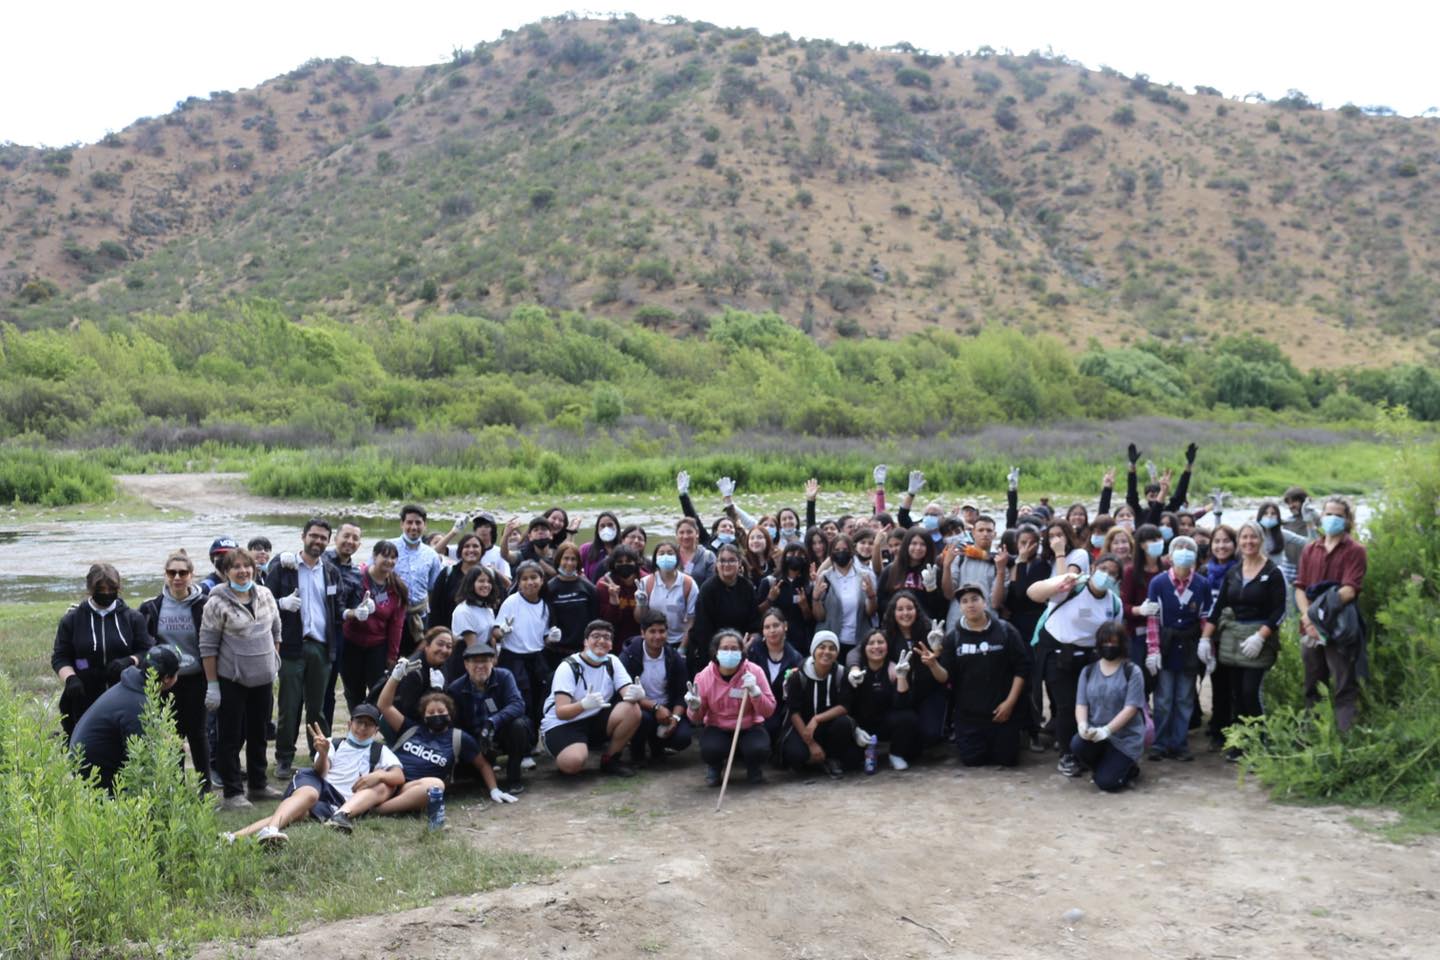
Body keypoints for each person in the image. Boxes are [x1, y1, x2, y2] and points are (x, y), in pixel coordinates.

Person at [225, 705, 404, 845]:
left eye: (369, 724)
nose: (363, 728)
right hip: (317, 782)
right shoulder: (334, 743)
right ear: (350, 724)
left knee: (296, 814)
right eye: (359, 722)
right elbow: (320, 772)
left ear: (376, 730)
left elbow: (399, 776)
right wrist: (323, 754)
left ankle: (233, 837)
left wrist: (378, 776)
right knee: (309, 795)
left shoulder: (380, 751)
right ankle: (271, 830)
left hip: (338, 802)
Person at [199, 547, 283, 810]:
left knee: (259, 733)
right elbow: (208, 647)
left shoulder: (266, 595)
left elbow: (276, 631)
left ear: (254, 569)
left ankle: (258, 784)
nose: (243, 571)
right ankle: (233, 792)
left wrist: (273, 664)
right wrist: (213, 685)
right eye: (236, 567)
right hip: (231, 681)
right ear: (226, 572)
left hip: (263, 680)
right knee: (230, 738)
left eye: (247, 566)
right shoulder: (215, 603)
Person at [1027, 553, 1125, 777]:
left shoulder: (1114, 603)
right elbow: (1033, 593)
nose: (1106, 576)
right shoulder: (1073, 587)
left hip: (1091, 657)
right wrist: (1058, 584)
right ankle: (1066, 755)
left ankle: (1086, 751)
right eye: (1104, 569)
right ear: (1093, 567)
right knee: (1067, 706)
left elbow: (1113, 635)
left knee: (1089, 706)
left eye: (1113, 574)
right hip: (1058, 652)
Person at [267, 519, 345, 780]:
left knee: (317, 708)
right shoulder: (284, 566)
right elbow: (263, 600)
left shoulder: (331, 571)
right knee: (288, 706)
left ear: (328, 541)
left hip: (321, 647)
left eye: (323, 537)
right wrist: (281, 603)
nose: (318, 541)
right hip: (291, 646)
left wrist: (352, 612)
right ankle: (284, 758)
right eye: (314, 536)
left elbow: (337, 607)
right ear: (303, 536)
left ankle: (319, 755)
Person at [1211, 520, 1288, 758]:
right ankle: (1239, 743)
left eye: (1253, 537)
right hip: (1234, 639)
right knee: (1235, 693)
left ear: (1261, 540)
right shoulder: (1233, 572)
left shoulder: (1272, 572)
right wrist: (1205, 639)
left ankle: (1259, 743)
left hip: (1258, 639)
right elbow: (1219, 606)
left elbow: (1280, 610)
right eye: (1244, 537)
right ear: (1239, 542)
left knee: (1250, 692)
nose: (1248, 542)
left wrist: (1261, 636)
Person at [378, 680, 518, 807]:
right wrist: (395, 677)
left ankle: (380, 809)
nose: (436, 715)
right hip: (390, 778)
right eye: (431, 712)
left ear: (450, 714)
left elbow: (482, 765)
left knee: (433, 787)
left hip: (415, 787)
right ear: (424, 716)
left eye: (441, 711)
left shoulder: (459, 738)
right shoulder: (410, 729)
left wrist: (494, 790)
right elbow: (384, 706)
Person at [53, 562, 153, 737]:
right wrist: (70, 678)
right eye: (101, 590)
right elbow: (60, 657)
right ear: (90, 589)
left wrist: (130, 660)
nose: (106, 594)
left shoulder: (133, 618)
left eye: (111, 589)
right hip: (83, 695)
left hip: (124, 693)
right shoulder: (72, 620)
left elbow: (146, 651)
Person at [1294, 496, 1368, 733]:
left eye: (1338, 515)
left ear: (1347, 520)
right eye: (1329, 514)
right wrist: (1307, 618)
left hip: (1339, 628)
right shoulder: (1310, 549)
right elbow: (1300, 588)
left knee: (1344, 686)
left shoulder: (1355, 550)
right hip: (1310, 628)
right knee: (1312, 685)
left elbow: (1349, 590)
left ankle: (1344, 741)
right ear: (1322, 516)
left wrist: (1318, 618)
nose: (1333, 519)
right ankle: (1312, 736)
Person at [139, 550, 209, 789]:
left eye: (182, 572)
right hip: (165, 682)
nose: (177, 577)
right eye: (172, 573)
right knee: (171, 735)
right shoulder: (151, 607)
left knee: (198, 734)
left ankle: (205, 787)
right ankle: (176, 788)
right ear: (165, 575)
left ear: (192, 575)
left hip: (196, 679)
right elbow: (144, 643)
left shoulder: (204, 604)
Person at [70, 646, 184, 793]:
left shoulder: (132, 686)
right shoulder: (139, 704)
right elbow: (142, 757)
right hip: (93, 768)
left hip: (90, 757)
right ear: (167, 678)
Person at [539, 621, 643, 777]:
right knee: (572, 764)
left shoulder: (612, 661)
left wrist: (637, 693)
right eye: (596, 636)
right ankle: (564, 749)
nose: (601, 641)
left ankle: (610, 759)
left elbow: (627, 692)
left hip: (594, 718)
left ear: (611, 644)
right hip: (563, 724)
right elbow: (561, 712)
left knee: (632, 709)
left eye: (606, 637)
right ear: (585, 642)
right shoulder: (569, 667)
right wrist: (583, 704)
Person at [941, 582, 1028, 768]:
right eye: (964, 601)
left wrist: (1010, 703)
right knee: (973, 761)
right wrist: (933, 663)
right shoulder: (952, 638)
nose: (970, 604)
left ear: (984, 602)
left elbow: (1022, 668)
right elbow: (946, 677)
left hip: (1003, 712)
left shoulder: (1006, 631)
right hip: (969, 716)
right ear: (960, 607)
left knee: (1007, 759)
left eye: (975, 599)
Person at [1145, 536, 1214, 761]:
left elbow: (1205, 616)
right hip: (1166, 645)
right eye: (1179, 548)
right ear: (1171, 555)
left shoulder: (1202, 583)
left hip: (1190, 646)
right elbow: (1153, 618)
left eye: (1188, 548)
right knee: (1163, 698)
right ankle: (1160, 743)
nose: (1184, 551)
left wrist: (1207, 645)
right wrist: (1153, 650)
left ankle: (1179, 743)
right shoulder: (1158, 583)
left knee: (1185, 697)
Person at [689, 628, 776, 786]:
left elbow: (769, 710)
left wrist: (756, 693)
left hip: (749, 726)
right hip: (717, 726)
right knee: (710, 749)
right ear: (716, 652)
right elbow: (696, 719)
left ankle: (754, 768)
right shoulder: (704, 676)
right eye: (725, 648)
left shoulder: (754, 672)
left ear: (742, 651)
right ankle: (715, 767)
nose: (730, 652)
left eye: (734, 649)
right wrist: (695, 707)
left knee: (758, 749)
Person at [1069, 622, 1147, 791]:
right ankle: (1105, 767)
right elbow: (1081, 703)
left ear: (1122, 644)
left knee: (1107, 784)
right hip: (1095, 734)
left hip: (1125, 738)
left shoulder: (1132, 671)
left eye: (1114, 642)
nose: (1109, 646)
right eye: (1105, 642)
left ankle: (1127, 768)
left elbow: (1131, 708)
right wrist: (1082, 725)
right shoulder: (1088, 671)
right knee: (1077, 743)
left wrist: (1107, 730)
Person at [447, 639, 531, 793]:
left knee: (519, 725)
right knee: (470, 778)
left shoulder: (504, 676)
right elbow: (455, 724)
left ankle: (514, 776)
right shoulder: (455, 688)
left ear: (493, 662)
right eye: (475, 662)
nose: (480, 666)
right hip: (475, 738)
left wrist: (492, 722)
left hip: (501, 731)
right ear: (466, 664)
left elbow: (518, 704)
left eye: (485, 661)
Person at [338, 540, 408, 713]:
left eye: (393, 558)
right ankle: (356, 721)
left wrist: (392, 655)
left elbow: (397, 625)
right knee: (353, 690)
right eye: (385, 556)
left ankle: (373, 722)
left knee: (377, 689)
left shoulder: (398, 588)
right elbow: (340, 607)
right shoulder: (357, 577)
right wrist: (355, 612)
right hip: (351, 643)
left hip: (377, 646)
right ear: (374, 556)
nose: (389, 561)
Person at [780, 631, 861, 778]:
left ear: (837, 653)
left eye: (832, 648)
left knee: (845, 728)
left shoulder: (841, 673)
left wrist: (817, 719)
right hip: (804, 727)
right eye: (822, 647)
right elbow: (793, 711)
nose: (827, 652)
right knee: (794, 754)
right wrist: (811, 743)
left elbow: (844, 706)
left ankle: (830, 758)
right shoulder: (798, 675)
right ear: (813, 650)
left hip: (829, 726)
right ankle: (817, 760)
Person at [618, 610, 694, 765]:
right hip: (640, 707)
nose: (658, 636)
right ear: (642, 633)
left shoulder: (673, 657)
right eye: (652, 631)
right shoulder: (629, 656)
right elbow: (624, 691)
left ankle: (658, 747)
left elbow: (682, 692)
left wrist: (675, 718)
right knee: (642, 719)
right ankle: (637, 751)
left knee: (683, 738)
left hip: (667, 708)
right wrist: (655, 707)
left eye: (662, 631)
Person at [497, 561, 559, 736]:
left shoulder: (544, 606)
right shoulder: (511, 602)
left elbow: (543, 637)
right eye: (524, 579)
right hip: (514, 658)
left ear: (542, 580)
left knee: (539, 696)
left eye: (534, 577)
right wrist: (502, 631)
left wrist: (551, 638)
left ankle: (535, 735)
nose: (530, 582)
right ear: (518, 582)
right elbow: (496, 631)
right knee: (522, 699)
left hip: (536, 659)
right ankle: (522, 737)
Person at [845, 629, 919, 771]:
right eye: (871, 643)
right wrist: (855, 728)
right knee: (851, 761)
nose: (876, 646)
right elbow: (846, 705)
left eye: (880, 642)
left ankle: (896, 754)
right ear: (864, 648)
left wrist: (901, 678)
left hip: (885, 722)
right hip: (861, 726)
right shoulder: (856, 671)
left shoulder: (894, 668)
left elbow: (902, 705)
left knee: (908, 718)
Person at [689, 543, 760, 678]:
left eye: (731, 560)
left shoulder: (747, 587)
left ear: (739, 563)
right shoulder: (708, 589)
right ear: (717, 564)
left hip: (741, 647)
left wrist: (749, 641)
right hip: (713, 650)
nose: (727, 564)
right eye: (722, 560)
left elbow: (754, 622)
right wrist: (721, 652)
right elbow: (702, 629)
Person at [812, 534, 878, 661]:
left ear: (852, 551)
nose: (841, 553)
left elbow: (870, 612)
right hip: (832, 643)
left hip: (859, 641)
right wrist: (816, 599)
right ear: (831, 553)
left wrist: (871, 596)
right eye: (837, 550)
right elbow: (819, 617)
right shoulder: (824, 577)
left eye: (844, 550)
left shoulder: (865, 576)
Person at [747, 609, 804, 747]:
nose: (772, 630)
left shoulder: (795, 658)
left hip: (780, 712)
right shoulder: (752, 652)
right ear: (763, 631)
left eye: (776, 625)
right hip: (752, 709)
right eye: (767, 627)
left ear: (785, 626)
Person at [383, 627, 456, 733]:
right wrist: (435, 690)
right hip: (404, 724)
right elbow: (410, 711)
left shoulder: (443, 664)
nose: (444, 650)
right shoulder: (413, 670)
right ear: (427, 645)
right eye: (440, 644)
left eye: (449, 646)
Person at [393, 504, 443, 656]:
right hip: (392, 616)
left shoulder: (431, 555)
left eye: (418, 523)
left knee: (417, 660)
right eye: (409, 522)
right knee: (391, 660)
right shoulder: (388, 548)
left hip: (420, 618)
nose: (413, 527)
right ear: (402, 524)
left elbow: (434, 588)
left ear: (424, 525)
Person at [636, 541, 697, 651]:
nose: (666, 556)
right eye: (661, 553)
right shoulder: (646, 582)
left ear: (677, 557)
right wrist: (641, 604)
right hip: (654, 641)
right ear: (655, 559)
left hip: (680, 640)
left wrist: (683, 648)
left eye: (670, 553)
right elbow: (640, 618)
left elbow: (691, 620)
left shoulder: (688, 583)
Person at [545, 543, 598, 667]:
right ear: (558, 560)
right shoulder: (549, 589)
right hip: (556, 652)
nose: (569, 563)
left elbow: (595, 618)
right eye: (566, 558)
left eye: (573, 559)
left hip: (583, 651)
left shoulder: (589, 588)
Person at [756, 542, 815, 652]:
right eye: (791, 553)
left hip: (799, 644)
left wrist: (805, 607)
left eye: (800, 554)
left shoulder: (809, 585)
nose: (795, 556)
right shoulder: (769, 582)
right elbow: (757, 613)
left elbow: (811, 620)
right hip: (772, 641)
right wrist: (770, 599)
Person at [429, 533, 484, 636]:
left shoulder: (489, 576)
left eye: (475, 546)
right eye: (466, 546)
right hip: (449, 636)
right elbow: (435, 607)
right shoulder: (447, 574)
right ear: (460, 551)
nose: (471, 550)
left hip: (481, 637)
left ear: (482, 550)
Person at [451, 564, 504, 663]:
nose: (486, 585)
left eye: (489, 582)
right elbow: (472, 647)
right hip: (468, 661)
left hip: (485, 658)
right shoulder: (464, 611)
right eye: (481, 581)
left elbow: (491, 638)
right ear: (471, 584)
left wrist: (494, 657)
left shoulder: (487, 609)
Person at [596, 545, 643, 644]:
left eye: (629, 561)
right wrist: (614, 601)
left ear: (636, 562)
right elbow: (606, 622)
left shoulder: (645, 581)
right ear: (613, 564)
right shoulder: (604, 584)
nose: (624, 564)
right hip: (614, 640)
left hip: (641, 638)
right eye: (620, 562)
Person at [674, 516, 715, 585]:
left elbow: (712, 584)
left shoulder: (708, 556)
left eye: (689, 532)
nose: (685, 536)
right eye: (681, 532)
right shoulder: (670, 555)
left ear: (697, 533)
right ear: (677, 535)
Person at [580, 511, 621, 582]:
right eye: (602, 526)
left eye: (610, 525)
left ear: (617, 527)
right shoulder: (586, 549)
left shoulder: (624, 550)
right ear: (597, 530)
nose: (606, 529)